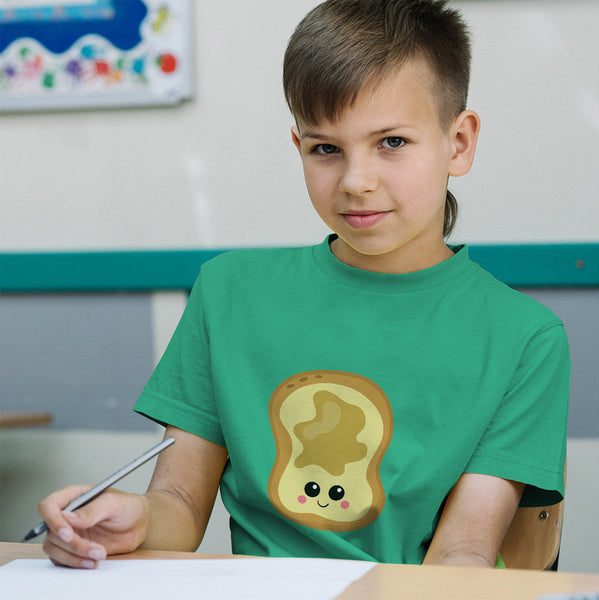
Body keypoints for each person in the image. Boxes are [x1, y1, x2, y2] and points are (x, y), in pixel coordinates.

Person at [38, 0, 569, 570]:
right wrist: (134, 518)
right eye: (326, 148)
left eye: (391, 142)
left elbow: (462, 552)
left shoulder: (525, 338)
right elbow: (180, 505)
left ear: (458, 143)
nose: (355, 181)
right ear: (300, 148)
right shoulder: (228, 293)